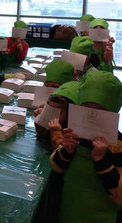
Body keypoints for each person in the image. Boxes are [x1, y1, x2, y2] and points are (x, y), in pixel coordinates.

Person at [50, 70, 122, 222]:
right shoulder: (76, 135)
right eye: (87, 109)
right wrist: (66, 150)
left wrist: (101, 159)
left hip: (101, 216)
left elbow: (120, 194)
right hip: (70, 210)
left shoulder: (118, 144)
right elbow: (55, 166)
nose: (93, 116)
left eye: (100, 111)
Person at [34, 81, 79, 150]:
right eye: (50, 108)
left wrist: (56, 132)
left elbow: (61, 152)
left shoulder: (73, 132)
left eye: (58, 110)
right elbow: (42, 135)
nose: (53, 114)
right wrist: (40, 120)